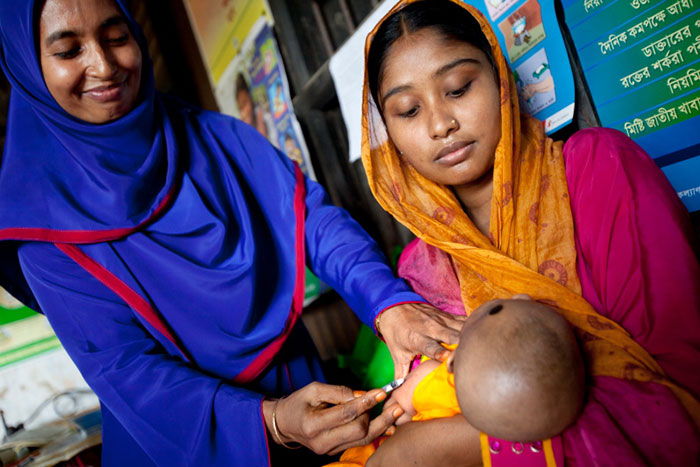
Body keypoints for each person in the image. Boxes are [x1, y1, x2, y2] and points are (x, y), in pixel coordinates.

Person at [0, 0, 468, 465]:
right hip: (193, 439)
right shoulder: (41, 235)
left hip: (310, 395)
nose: (103, 65)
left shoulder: (214, 137)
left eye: (116, 37)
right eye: (67, 50)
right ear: (26, 66)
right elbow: (129, 372)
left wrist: (388, 303)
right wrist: (274, 421)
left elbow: (313, 220)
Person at [361, 0, 700, 465]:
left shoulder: (599, 171)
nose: (441, 125)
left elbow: (682, 389)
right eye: (408, 110)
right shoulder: (421, 268)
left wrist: (448, 445)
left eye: (458, 88)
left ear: (501, 78)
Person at [329, 296, 585, 466]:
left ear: (451, 361)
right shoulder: (505, 414)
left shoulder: (439, 376)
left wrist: (399, 414)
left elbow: (397, 408)